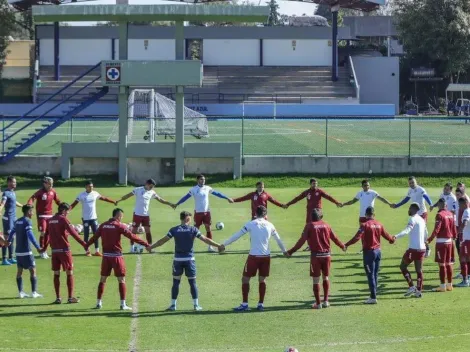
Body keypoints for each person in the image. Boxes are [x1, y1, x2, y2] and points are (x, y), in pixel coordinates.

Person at [148, 211, 223, 311]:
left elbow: (162, 241)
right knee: (192, 283)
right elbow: (205, 239)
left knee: (176, 282)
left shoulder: (174, 230)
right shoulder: (193, 229)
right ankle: (196, 305)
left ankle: (173, 305)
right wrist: (218, 245)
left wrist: (151, 247)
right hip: (189, 260)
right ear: (187, 219)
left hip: (178, 260)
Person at [220, 205, 287, 312]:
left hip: (254, 257)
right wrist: (284, 251)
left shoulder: (251, 224)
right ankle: (261, 304)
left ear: (255, 213)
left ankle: (245, 304)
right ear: (265, 215)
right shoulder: (270, 225)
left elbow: (237, 235)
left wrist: (224, 244)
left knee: (245, 279)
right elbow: (278, 239)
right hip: (266, 256)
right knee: (262, 280)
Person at [85, 208, 150, 310]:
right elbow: (132, 236)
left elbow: (94, 237)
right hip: (116, 257)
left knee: (103, 279)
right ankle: (122, 304)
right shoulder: (119, 226)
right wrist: (146, 244)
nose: (121, 218)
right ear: (118, 215)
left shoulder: (103, 225)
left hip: (106, 256)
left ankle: (98, 303)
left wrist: (86, 245)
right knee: (121, 280)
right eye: (121, 216)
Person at [287, 208, 345, 309]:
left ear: (311, 217)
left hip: (316, 256)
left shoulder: (309, 226)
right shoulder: (326, 225)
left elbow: (301, 241)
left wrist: (291, 251)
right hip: (327, 255)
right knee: (325, 277)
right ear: (321, 216)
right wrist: (342, 246)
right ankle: (326, 301)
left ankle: (318, 304)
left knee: (316, 280)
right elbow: (334, 237)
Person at [343, 206, 395, 304]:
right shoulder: (379, 224)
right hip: (378, 252)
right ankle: (373, 294)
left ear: (366, 215)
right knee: (375, 274)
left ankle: (373, 297)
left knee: (370, 274)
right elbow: (387, 236)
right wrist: (392, 240)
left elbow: (357, 237)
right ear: (374, 214)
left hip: (369, 253)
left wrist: (346, 244)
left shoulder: (364, 225)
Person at [42, 202, 87, 304]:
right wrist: (84, 243)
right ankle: (70, 298)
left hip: (54, 251)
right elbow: (73, 233)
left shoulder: (51, 220)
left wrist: (44, 248)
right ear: (63, 210)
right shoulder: (63, 219)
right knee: (69, 272)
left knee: (56, 273)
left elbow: (47, 236)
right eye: (67, 211)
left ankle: (58, 298)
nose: (68, 213)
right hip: (64, 250)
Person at [176, 175, 233, 252]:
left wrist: (227, 198)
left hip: (207, 212)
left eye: (204, 179)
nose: (203, 181)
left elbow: (217, 193)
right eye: (201, 179)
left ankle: (210, 247)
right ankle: (189, 247)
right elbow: (185, 197)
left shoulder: (207, 188)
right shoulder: (193, 189)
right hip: (198, 213)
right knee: (195, 230)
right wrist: (177, 203)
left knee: (208, 229)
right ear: (197, 180)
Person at [116, 178, 175, 253]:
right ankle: (132, 248)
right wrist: (119, 200)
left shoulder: (152, 192)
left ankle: (150, 247)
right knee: (133, 232)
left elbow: (161, 200)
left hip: (146, 215)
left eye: (152, 187)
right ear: (147, 184)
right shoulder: (138, 189)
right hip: (137, 214)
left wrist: (170, 204)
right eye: (151, 186)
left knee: (148, 231)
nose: (151, 188)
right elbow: (128, 195)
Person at [69, 180, 116, 257]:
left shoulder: (95, 193)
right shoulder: (81, 195)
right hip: (86, 218)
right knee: (86, 235)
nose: (91, 188)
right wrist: (67, 211)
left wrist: (113, 201)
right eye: (89, 186)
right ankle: (87, 251)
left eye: (92, 186)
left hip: (94, 218)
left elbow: (104, 198)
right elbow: (74, 204)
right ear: (86, 187)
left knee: (96, 234)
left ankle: (97, 251)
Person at [392, 203, 427, 298]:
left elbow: (407, 230)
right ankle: (419, 291)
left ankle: (411, 286)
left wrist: (396, 236)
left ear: (414, 209)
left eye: (410, 208)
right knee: (419, 271)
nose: (409, 209)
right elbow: (426, 234)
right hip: (421, 249)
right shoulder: (422, 220)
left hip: (413, 249)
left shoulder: (412, 218)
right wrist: (426, 246)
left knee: (403, 266)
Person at [7, 205, 42, 298]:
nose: (33, 213)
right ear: (28, 212)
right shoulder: (27, 221)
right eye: (32, 211)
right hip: (27, 251)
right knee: (33, 271)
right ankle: (34, 293)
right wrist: (38, 247)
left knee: (19, 271)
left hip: (18, 251)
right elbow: (30, 235)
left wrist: (9, 241)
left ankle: (21, 293)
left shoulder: (17, 221)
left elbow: (11, 232)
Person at [391, 176, 432, 257]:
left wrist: (430, 204)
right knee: (415, 231)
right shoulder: (410, 190)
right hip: (415, 214)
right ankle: (417, 248)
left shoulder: (421, 189)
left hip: (422, 213)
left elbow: (426, 197)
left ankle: (427, 248)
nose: (411, 184)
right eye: (410, 183)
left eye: (413, 182)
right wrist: (397, 205)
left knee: (423, 231)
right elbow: (406, 199)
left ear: (416, 182)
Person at [426, 198, 456, 292]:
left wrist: (429, 240)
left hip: (441, 243)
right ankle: (450, 285)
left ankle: (443, 286)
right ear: (446, 205)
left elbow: (436, 229)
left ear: (439, 205)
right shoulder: (450, 214)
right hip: (450, 242)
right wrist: (454, 236)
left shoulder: (439, 215)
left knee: (442, 264)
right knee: (449, 263)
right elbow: (454, 228)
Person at [27, 177, 61, 259]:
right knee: (43, 232)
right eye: (49, 184)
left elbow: (58, 201)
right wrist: (29, 204)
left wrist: (63, 207)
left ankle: (45, 250)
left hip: (50, 216)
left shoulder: (53, 192)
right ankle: (41, 251)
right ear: (45, 184)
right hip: (41, 216)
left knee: (49, 234)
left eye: (52, 184)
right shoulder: (40, 192)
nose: (51, 185)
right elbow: (32, 198)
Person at [0, 176, 22, 265]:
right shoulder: (6, 193)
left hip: (13, 218)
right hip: (8, 218)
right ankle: (4, 259)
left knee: (12, 237)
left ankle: (11, 257)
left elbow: (14, 202)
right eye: (13, 182)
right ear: (9, 183)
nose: (15, 184)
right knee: (6, 238)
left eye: (15, 182)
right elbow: (2, 203)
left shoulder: (13, 193)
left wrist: (22, 206)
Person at [456, 197, 470, 287]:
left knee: (463, 259)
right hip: (468, 239)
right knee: (468, 259)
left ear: (464, 203)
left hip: (467, 240)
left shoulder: (466, 211)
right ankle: (468, 277)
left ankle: (465, 281)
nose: (459, 207)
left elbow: (465, 222)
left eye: (460, 205)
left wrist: (458, 232)